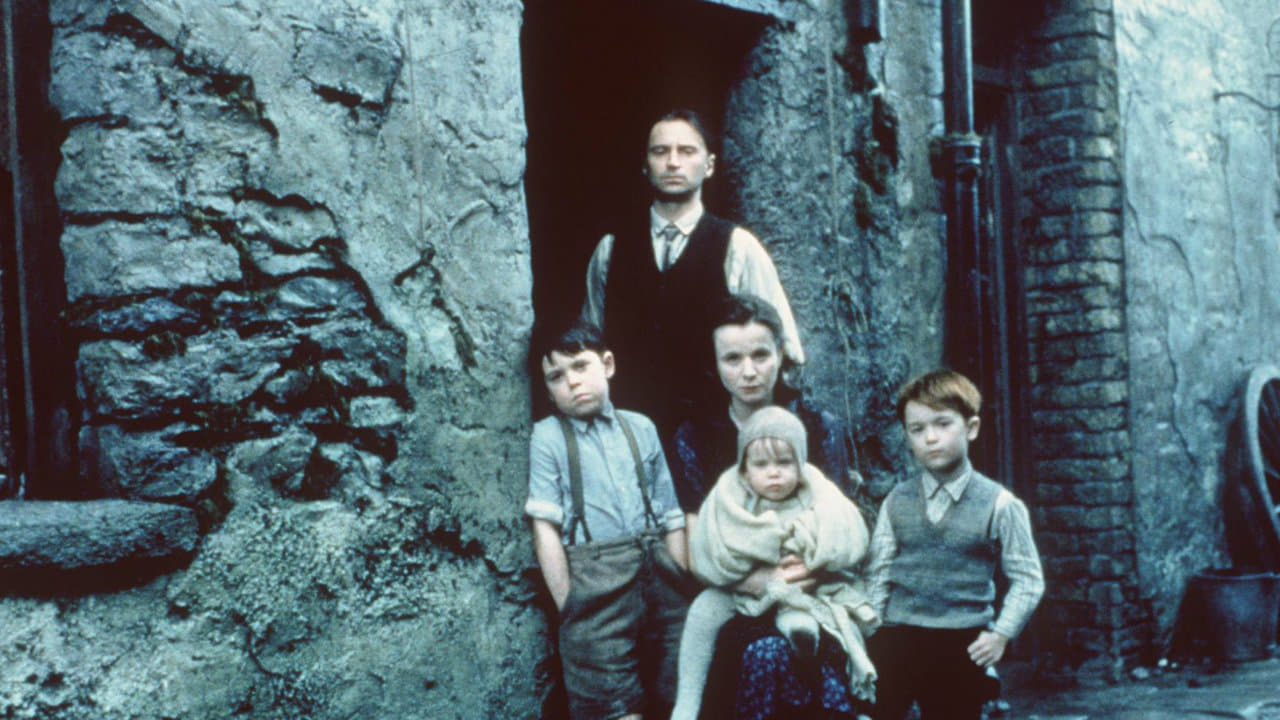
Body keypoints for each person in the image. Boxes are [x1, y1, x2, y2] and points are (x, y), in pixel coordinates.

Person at [669, 293, 860, 720]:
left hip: (812, 584)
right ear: (715, 363)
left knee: (811, 645)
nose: (749, 371)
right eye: (732, 359)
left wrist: (800, 575)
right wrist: (757, 581)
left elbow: (837, 521)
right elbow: (697, 542)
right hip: (732, 587)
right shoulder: (695, 435)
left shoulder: (818, 426)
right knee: (749, 648)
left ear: (781, 354)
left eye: (760, 355)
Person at [581, 109, 803, 443]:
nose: (673, 163)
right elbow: (588, 347)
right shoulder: (611, 250)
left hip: (713, 440)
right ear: (645, 165)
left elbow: (784, 349)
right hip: (630, 438)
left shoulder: (737, 247)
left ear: (709, 165)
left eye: (686, 151)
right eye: (660, 151)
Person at [524, 323, 692, 720]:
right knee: (608, 698)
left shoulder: (641, 427)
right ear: (547, 390)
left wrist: (679, 577)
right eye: (556, 377)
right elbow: (545, 525)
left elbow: (672, 514)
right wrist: (568, 601)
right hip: (595, 590)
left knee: (683, 688)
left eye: (581, 366)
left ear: (608, 365)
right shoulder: (548, 437)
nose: (572, 382)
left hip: (660, 576)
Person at [677, 406, 878, 720]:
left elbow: (843, 534)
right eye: (761, 464)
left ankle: (802, 636)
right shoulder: (730, 500)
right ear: (745, 469)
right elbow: (712, 547)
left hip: (806, 587)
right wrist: (751, 564)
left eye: (784, 463)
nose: (773, 473)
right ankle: (687, 703)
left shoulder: (818, 494)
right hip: (744, 587)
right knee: (702, 610)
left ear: (801, 464)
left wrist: (810, 552)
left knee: (804, 611)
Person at [865, 369, 1045, 720]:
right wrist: (870, 634)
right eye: (917, 429)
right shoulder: (897, 500)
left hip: (961, 640)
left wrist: (1001, 634)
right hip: (897, 636)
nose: (931, 438)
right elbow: (879, 571)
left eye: (943, 424)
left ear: (971, 428)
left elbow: (1028, 578)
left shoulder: (1000, 504)